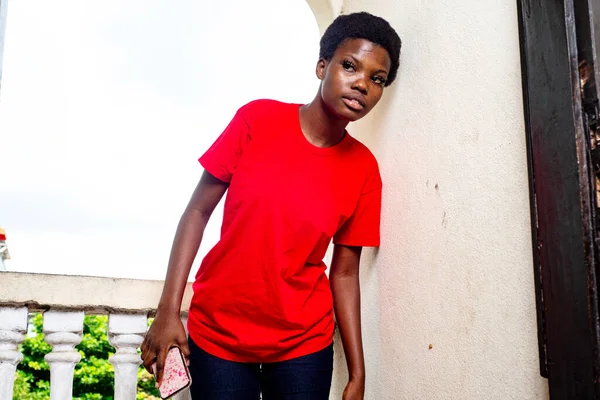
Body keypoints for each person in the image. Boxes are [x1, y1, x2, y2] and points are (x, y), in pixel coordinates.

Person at [141, 11, 401, 400]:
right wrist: (167, 310)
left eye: (377, 79)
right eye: (350, 66)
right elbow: (196, 212)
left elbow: (344, 275)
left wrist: (358, 373)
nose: (362, 83)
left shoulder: (364, 168)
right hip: (219, 335)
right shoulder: (256, 120)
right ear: (322, 66)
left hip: (303, 343)